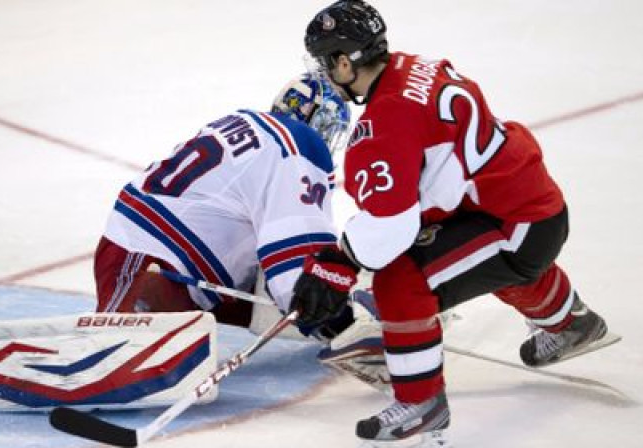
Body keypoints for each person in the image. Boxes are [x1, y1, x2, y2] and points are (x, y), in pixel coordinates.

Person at [289, 0, 615, 445]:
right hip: (526, 205)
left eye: (327, 62)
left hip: (513, 226)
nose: (326, 73)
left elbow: (391, 229)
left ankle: (421, 403)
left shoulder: (385, 124)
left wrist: (339, 261)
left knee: (403, 280)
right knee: (472, 256)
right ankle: (570, 322)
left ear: (346, 61)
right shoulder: (413, 66)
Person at [94, 73, 357, 331]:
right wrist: (329, 312)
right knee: (114, 350)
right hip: (152, 259)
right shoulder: (294, 148)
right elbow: (296, 258)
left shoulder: (247, 126)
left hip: (150, 253)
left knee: (148, 359)